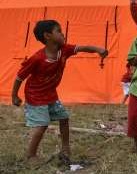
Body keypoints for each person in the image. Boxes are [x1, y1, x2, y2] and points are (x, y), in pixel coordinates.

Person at [11, 20, 108, 162]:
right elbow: (20, 76)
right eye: (59, 31)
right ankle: (31, 155)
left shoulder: (64, 50)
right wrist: (14, 96)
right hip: (35, 97)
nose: (63, 34)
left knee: (64, 118)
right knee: (42, 125)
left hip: (50, 95)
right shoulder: (37, 58)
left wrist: (98, 49)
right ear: (47, 36)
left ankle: (65, 148)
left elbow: (82, 48)